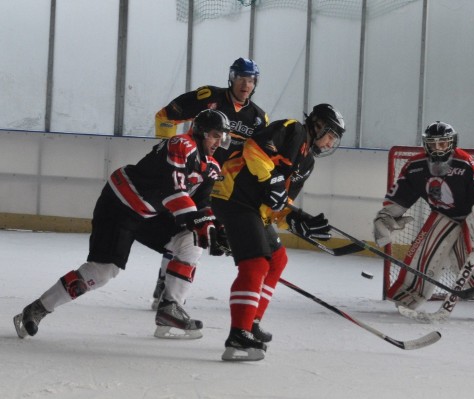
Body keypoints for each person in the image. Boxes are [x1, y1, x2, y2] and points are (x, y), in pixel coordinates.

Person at [13, 109, 232, 340]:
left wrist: (217, 229)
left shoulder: (212, 167)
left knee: (192, 240)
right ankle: (37, 308)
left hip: (151, 213)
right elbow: (173, 190)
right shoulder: (181, 144)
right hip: (119, 205)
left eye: (223, 137)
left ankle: (170, 307)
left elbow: (203, 204)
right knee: (102, 272)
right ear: (200, 132)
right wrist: (201, 222)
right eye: (216, 135)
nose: (219, 142)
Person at [210, 103, 346, 361]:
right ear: (318, 126)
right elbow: (255, 148)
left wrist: (295, 219)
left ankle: (252, 322)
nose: (329, 144)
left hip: (254, 209)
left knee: (277, 260)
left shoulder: (307, 164)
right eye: (330, 136)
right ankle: (238, 334)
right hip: (234, 197)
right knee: (255, 264)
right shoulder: (292, 129)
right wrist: (270, 179)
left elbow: (280, 204)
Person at [151, 57, 269, 310]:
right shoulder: (209, 97)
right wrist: (165, 150)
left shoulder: (259, 118)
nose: (246, 84)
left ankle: (169, 287)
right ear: (232, 78)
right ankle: (164, 286)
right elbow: (165, 116)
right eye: (241, 78)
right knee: (182, 231)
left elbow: (258, 157)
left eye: (251, 80)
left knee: (195, 236)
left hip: (220, 185)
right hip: (190, 176)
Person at [373, 121, 474, 320]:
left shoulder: (465, 163)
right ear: (426, 144)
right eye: (433, 144)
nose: (438, 149)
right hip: (442, 216)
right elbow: (401, 194)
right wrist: (386, 216)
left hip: (470, 218)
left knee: (464, 261)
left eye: (443, 144)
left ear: (452, 143)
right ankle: (411, 293)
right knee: (422, 253)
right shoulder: (415, 166)